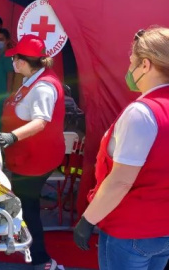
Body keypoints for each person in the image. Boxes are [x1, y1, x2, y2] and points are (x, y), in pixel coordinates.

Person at [73, 27, 169, 270]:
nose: (129, 70)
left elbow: (120, 181)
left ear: (145, 65)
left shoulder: (142, 113)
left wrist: (87, 220)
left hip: (131, 230)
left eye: (131, 63)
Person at [0, 34, 65, 270]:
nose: (13, 62)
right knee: (22, 202)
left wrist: (12, 136)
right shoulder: (32, 79)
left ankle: (42, 259)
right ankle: (21, 240)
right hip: (25, 156)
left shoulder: (43, 86)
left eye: (15, 59)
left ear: (23, 62)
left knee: (28, 206)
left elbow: (41, 121)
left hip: (36, 159)